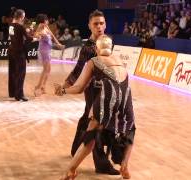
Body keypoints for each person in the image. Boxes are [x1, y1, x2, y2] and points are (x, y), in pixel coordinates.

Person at [54, 35, 136, 179]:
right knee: (130, 129)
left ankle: (70, 170)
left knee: (91, 136)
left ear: (96, 49)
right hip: (126, 98)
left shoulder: (94, 61)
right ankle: (124, 165)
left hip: (108, 97)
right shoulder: (119, 60)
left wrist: (63, 90)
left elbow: (79, 87)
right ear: (111, 47)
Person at [60, 10, 120, 175]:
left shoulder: (108, 42)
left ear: (105, 24)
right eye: (95, 24)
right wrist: (65, 86)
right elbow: (78, 70)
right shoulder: (87, 48)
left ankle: (76, 148)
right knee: (97, 126)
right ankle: (101, 164)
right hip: (93, 90)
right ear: (89, 26)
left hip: (106, 90)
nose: (99, 26)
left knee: (88, 118)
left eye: (101, 23)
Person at [33, 14, 64, 96]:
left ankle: (43, 86)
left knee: (48, 69)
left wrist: (58, 44)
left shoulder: (46, 27)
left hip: (47, 50)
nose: (48, 21)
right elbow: (36, 35)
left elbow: (53, 36)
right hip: (44, 51)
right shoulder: (41, 27)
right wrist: (39, 35)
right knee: (45, 69)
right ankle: (38, 86)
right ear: (43, 21)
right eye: (46, 20)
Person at [8, 9, 34, 101]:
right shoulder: (20, 26)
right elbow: (28, 38)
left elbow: (17, 33)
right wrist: (36, 38)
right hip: (19, 52)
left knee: (13, 73)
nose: (24, 18)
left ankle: (13, 92)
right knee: (21, 73)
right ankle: (19, 95)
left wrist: (26, 30)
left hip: (11, 51)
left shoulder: (11, 25)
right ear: (21, 17)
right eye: (24, 16)